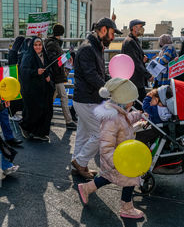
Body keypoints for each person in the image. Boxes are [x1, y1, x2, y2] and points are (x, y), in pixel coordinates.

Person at [77, 78, 145, 219]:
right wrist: (116, 161)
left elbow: (126, 120)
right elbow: (106, 145)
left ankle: (86, 188)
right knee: (130, 178)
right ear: (124, 101)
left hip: (120, 156)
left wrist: (138, 115)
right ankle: (127, 207)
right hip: (118, 158)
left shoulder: (118, 114)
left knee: (108, 177)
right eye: (132, 100)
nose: (133, 102)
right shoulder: (112, 119)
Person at [72, 17, 122, 180]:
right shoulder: (88, 48)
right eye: (112, 33)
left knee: (83, 134)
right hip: (86, 99)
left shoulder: (95, 46)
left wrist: (112, 82)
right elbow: (91, 75)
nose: (113, 37)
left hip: (87, 98)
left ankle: (77, 163)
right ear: (103, 30)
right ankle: (80, 162)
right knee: (99, 135)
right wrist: (109, 89)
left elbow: (99, 73)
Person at [19, 37, 55, 141]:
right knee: (33, 111)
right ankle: (25, 127)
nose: (38, 47)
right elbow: (23, 71)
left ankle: (40, 133)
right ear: (32, 46)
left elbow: (49, 68)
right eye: (35, 45)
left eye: (39, 45)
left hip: (44, 88)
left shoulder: (45, 55)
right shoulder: (28, 56)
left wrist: (49, 76)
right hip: (32, 89)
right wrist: (35, 72)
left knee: (46, 111)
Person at [44, 24, 77, 130]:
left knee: (51, 99)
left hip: (56, 75)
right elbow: (55, 61)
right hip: (56, 75)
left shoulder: (52, 43)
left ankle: (46, 119)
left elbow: (55, 59)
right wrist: (67, 56)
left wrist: (67, 56)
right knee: (63, 97)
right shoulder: (53, 44)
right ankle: (68, 121)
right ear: (62, 33)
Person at [122, 19, 154, 109]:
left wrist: (142, 59)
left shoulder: (134, 40)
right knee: (139, 106)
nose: (142, 29)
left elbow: (136, 59)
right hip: (134, 80)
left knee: (140, 104)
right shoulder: (130, 42)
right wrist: (148, 75)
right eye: (140, 26)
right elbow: (134, 62)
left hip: (135, 80)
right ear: (134, 28)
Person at [7, 36, 26, 122]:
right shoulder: (18, 52)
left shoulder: (12, 51)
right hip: (18, 76)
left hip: (12, 76)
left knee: (14, 96)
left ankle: (12, 113)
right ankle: (12, 114)